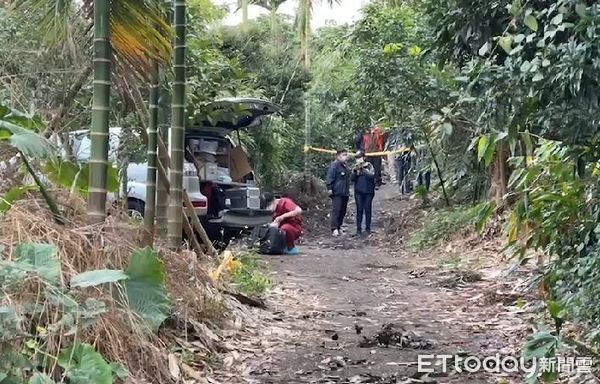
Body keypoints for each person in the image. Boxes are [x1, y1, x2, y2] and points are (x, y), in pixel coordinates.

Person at [326, 149, 350, 237]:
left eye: (346, 155)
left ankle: (339, 227)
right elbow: (330, 177)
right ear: (338, 156)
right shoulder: (334, 166)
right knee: (336, 210)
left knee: (343, 211)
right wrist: (329, 188)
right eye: (344, 155)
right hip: (337, 192)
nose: (345, 156)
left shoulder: (345, 166)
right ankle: (334, 228)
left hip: (345, 192)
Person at [351, 151, 376, 236]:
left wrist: (363, 170)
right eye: (357, 158)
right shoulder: (355, 167)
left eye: (359, 157)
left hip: (368, 191)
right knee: (359, 210)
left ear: (364, 157)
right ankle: (358, 229)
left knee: (368, 210)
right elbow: (352, 179)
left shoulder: (369, 166)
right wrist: (355, 171)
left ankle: (368, 228)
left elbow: (372, 176)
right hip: (358, 192)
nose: (358, 160)